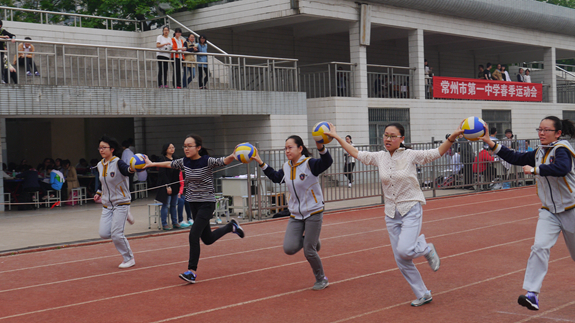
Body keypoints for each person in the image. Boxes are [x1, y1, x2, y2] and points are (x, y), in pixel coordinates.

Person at [325, 122, 464, 306]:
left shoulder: (410, 155)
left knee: (405, 250)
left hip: (410, 208)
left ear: (402, 139)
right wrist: (337, 137)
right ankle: (423, 293)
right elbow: (356, 153)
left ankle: (426, 248)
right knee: (401, 259)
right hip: (391, 213)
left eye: (392, 136)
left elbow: (436, 153)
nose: (388, 139)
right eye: (385, 135)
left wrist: (452, 137)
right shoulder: (379, 157)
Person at [477, 116, 575, 311]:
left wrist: (535, 170)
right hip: (549, 212)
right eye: (539, 129)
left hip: (571, 210)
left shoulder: (562, 150)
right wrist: (490, 142)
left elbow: (562, 169)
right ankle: (532, 294)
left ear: (557, 133)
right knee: (539, 247)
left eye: (546, 130)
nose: (541, 133)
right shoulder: (539, 151)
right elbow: (515, 157)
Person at [144, 134, 245, 284]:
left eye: (189, 146)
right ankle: (231, 226)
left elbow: (223, 161)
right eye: (184, 146)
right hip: (193, 203)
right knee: (207, 239)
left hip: (207, 203)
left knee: (193, 235)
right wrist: (151, 164)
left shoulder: (207, 161)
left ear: (198, 147)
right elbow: (168, 164)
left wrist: (233, 155)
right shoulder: (184, 162)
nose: (186, 149)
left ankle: (191, 271)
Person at [252, 135, 333, 290]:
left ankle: (321, 278)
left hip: (313, 211)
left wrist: (321, 147)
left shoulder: (310, 164)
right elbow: (276, 178)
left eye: (290, 147)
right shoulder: (287, 166)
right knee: (288, 248)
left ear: (300, 148)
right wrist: (260, 161)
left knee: (309, 251)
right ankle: (313, 240)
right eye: (285, 148)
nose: (287, 150)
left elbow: (327, 162)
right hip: (295, 214)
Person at [94, 136, 136, 269]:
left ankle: (129, 258)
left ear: (112, 149)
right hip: (107, 205)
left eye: (104, 147)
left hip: (121, 203)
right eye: (100, 147)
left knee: (117, 235)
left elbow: (128, 171)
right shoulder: (100, 165)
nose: (101, 150)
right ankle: (127, 215)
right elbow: (103, 182)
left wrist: (134, 168)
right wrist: (98, 193)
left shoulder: (119, 163)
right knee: (104, 234)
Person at [155, 143, 187, 230]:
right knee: (166, 205)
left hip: (175, 184)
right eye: (170, 148)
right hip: (166, 185)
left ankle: (175, 222)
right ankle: (164, 223)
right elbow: (162, 174)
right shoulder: (162, 159)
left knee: (174, 205)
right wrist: (167, 186)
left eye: (173, 147)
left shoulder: (176, 158)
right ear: (166, 149)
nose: (172, 149)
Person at [0, 19, 16, 84]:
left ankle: (2, 79)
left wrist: (13, 38)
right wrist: (3, 37)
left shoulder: (2, 31)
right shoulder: (3, 34)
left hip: (1, 52)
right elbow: (4, 37)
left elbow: (13, 35)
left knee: (1, 67)